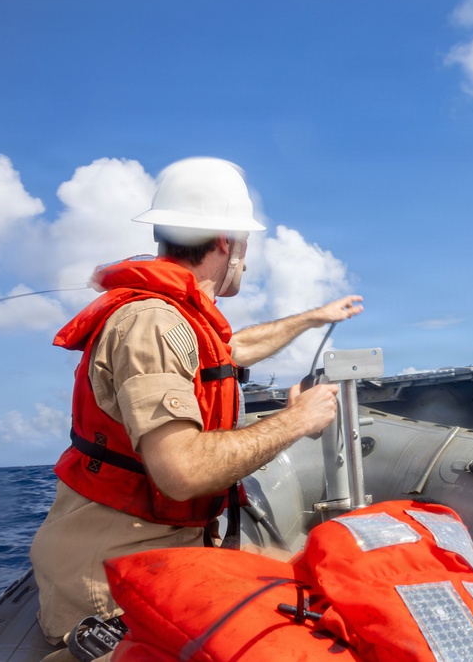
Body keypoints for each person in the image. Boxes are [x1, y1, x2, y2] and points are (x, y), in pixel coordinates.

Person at [29, 157, 363, 651]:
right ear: (226, 243)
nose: (245, 261)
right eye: (245, 247)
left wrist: (314, 317)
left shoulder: (177, 318)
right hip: (113, 585)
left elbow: (232, 351)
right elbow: (181, 472)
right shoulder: (153, 324)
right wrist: (294, 421)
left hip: (164, 554)